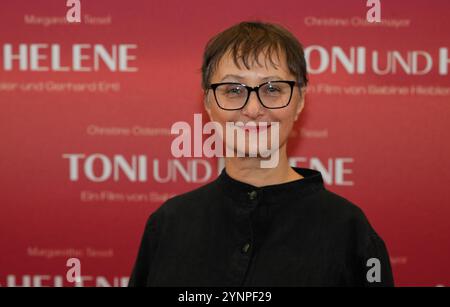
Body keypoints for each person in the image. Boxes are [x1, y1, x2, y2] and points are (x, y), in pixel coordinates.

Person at [128, 21, 394, 287]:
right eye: (233, 90)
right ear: (208, 103)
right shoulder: (168, 225)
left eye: (272, 89)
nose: (253, 109)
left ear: (299, 101)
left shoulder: (350, 232)